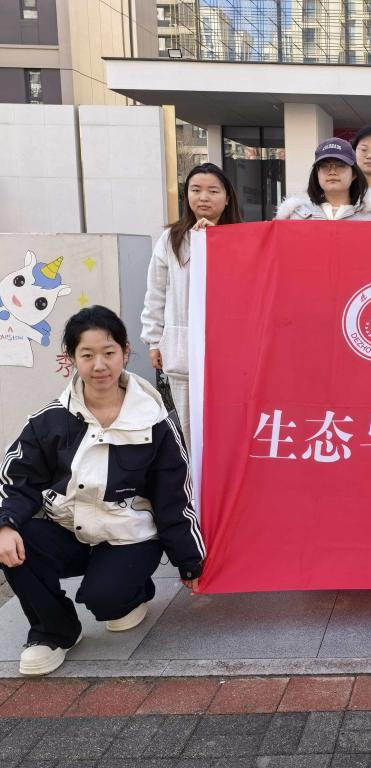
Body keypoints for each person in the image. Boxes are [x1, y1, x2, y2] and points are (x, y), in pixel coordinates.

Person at [0, 306, 205, 676]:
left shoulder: (154, 422)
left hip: (128, 535)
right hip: (69, 528)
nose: (99, 365)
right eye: (87, 355)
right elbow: (17, 478)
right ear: (71, 359)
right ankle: (54, 631)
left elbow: (174, 496)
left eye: (109, 352)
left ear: (125, 352)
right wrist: (5, 524)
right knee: (10, 539)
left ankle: (132, 592)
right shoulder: (50, 420)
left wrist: (189, 558)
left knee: (107, 601)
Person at [141, 162, 241, 448]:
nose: (204, 197)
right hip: (182, 350)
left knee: (228, 427)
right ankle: (194, 478)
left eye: (213, 191)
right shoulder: (171, 239)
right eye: (196, 190)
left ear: (227, 197)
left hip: (229, 352)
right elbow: (156, 292)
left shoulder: (241, 238)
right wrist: (154, 340)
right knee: (189, 430)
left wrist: (217, 241)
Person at [276, 138, 371, 222]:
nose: (332, 171)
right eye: (324, 166)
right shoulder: (295, 218)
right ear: (317, 174)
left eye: (340, 165)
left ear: (354, 174)